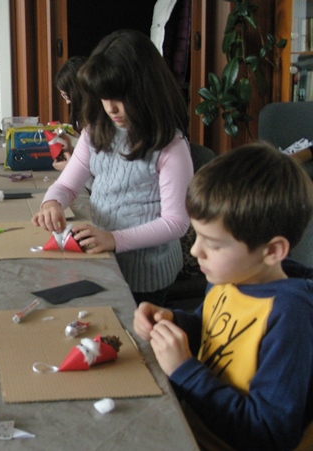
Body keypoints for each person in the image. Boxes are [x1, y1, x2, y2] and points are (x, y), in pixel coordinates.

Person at [133, 142, 313, 450]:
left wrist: (184, 370)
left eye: (213, 244)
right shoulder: (229, 277)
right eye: (197, 236)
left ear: (272, 251)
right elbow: (212, 331)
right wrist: (173, 322)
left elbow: (269, 435)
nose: (195, 250)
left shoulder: (289, 317)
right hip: (188, 424)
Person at [32, 30, 193, 305]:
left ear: (147, 92)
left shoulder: (171, 146)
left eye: (119, 98)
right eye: (104, 97)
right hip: (104, 258)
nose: (111, 108)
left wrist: (114, 239)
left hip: (147, 274)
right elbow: (67, 184)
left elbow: (176, 223)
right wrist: (52, 203)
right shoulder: (95, 131)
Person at [52, 56, 87, 171]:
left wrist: (71, 167)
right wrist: (70, 147)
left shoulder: (97, 119)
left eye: (67, 96)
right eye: (63, 96)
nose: (67, 102)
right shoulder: (81, 116)